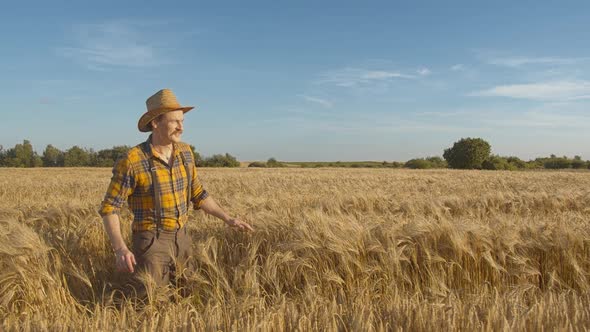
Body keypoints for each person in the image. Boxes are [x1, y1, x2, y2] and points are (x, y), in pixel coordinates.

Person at [99, 88, 253, 289]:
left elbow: (197, 193)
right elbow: (110, 208)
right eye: (175, 121)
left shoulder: (185, 152)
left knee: (185, 296)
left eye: (182, 121)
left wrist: (228, 218)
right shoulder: (133, 160)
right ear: (155, 123)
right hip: (151, 243)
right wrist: (120, 248)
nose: (181, 127)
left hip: (183, 239)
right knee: (151, 303)